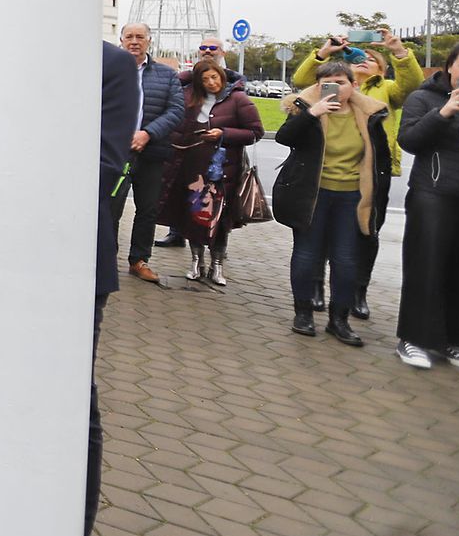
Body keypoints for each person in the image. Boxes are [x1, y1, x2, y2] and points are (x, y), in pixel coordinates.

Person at [0, 40, 141, 536]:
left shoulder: (110, 65)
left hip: (64, 266)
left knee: (67, 397)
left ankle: (64, 531)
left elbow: (100, 169)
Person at [292, 28, 420, 316]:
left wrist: (399, 51)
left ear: (381, 69)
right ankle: (315, 288)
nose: (364, 61)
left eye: (372, 60)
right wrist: (325, 52)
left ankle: (359, 292)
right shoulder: (329, 86)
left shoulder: (386, 89)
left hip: (371, 174)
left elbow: (411, 85)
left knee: (366, 234)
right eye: (359, 58)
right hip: (323, 177)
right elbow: (300, 80)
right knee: (321, 237)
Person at [273, 61, 392, 346]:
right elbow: (283, 137)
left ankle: (339, 320)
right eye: (326, 83)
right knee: (307, 255)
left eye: (341, 82)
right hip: (313, 194)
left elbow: (381, 159)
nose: (335, 88)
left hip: (352, 196)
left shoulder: (369, 113)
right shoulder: (306, 109)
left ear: (354, 85)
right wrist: (312, 113)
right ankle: (303, 314)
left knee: (347, 259)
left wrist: (378, 198)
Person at [394, 39, 459, 370]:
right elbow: (409, 141)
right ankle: (413, 340)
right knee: (426, 268)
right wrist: (444, 112)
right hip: (433, 196)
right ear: (450, 67)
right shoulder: (424, 98)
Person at [155, 57, 264, 285]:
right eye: (204, 79)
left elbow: (255, 132)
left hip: (223, 171)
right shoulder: (189, 98)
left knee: (219, 219)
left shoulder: (238, 99)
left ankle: (217, 265)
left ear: (222, 76)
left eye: (214, 77)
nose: (211, 83)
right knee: (193, 216)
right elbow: (176, 121)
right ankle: (196, 262)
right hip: (192, 168)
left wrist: (223, 133)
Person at [110, 23, 185, 281]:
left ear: (149, 41)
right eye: (129, 36)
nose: (134, 41)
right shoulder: (108, 71)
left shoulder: (166, 75)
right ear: (120, 40)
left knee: (148, 209)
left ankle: (139, 260)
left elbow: (176, 110)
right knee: (111, 206)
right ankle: (107, 259)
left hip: (152, 152)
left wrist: (148, 133)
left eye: (139, 37)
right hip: (116, 152)